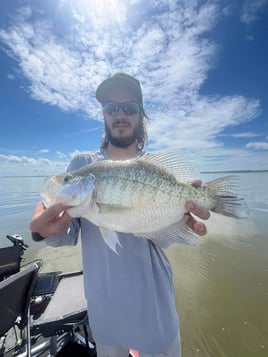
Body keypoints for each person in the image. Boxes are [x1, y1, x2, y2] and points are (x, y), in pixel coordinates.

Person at [30, 73, 210, 357]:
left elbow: (161, 232)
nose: (120, 114)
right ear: (104, 114)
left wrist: (179, 217)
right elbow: (68, 233)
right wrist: (42, 230)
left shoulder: (155, 167)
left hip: (154, 303)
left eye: (130, 107)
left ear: (141, 115)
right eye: (112, 108)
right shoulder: (82, 164)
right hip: (105, 306)